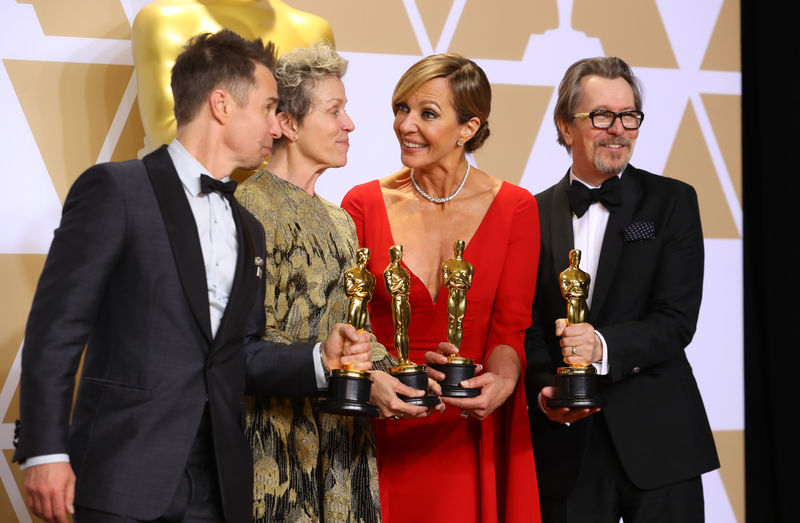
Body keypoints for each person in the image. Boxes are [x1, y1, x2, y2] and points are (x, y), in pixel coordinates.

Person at [12, 29, 373, 523]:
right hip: (124, 473)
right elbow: (57, 329)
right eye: (268, 108)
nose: (276, 126)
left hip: (221, 484)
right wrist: (45, 453)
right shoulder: (116, 190)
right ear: (222, 104)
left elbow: (240, 354)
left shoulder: (247, 225)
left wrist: (318, 359)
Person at [341, 53, 542, 523]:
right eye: (401, 108)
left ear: (468, 128)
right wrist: (371, 381)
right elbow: (346, 324)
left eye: (427, 113)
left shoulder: (516, 207)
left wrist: (503, 382)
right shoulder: (362, 204)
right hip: (385, 423)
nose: (405, 125)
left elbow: (510, 328)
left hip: (472, 429)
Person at [235, 42, 428, 523]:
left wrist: (413, 371)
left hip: (342, 444)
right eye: (335, 110)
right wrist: (359, 379)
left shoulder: (340, 220)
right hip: (275, 448)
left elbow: (348, 327)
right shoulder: (247, 208)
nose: (350, 124)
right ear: (286, 122)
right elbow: (248, 345)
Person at [524, 56, 719, 523]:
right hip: (567, 452)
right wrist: (545, 390)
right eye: (602, 116)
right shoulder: (528, 213)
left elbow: (676, 320)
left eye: (629, 116)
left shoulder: (673, 200)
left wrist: (601, 346)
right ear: (565, 126)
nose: (619, 130)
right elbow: (525, 327)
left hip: (661, 445)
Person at [132, 0, 334, 152]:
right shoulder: (165, 20)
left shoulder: (312, 30)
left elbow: (322, 133)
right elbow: (171, 136)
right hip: (188, 196)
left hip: (287, 200)